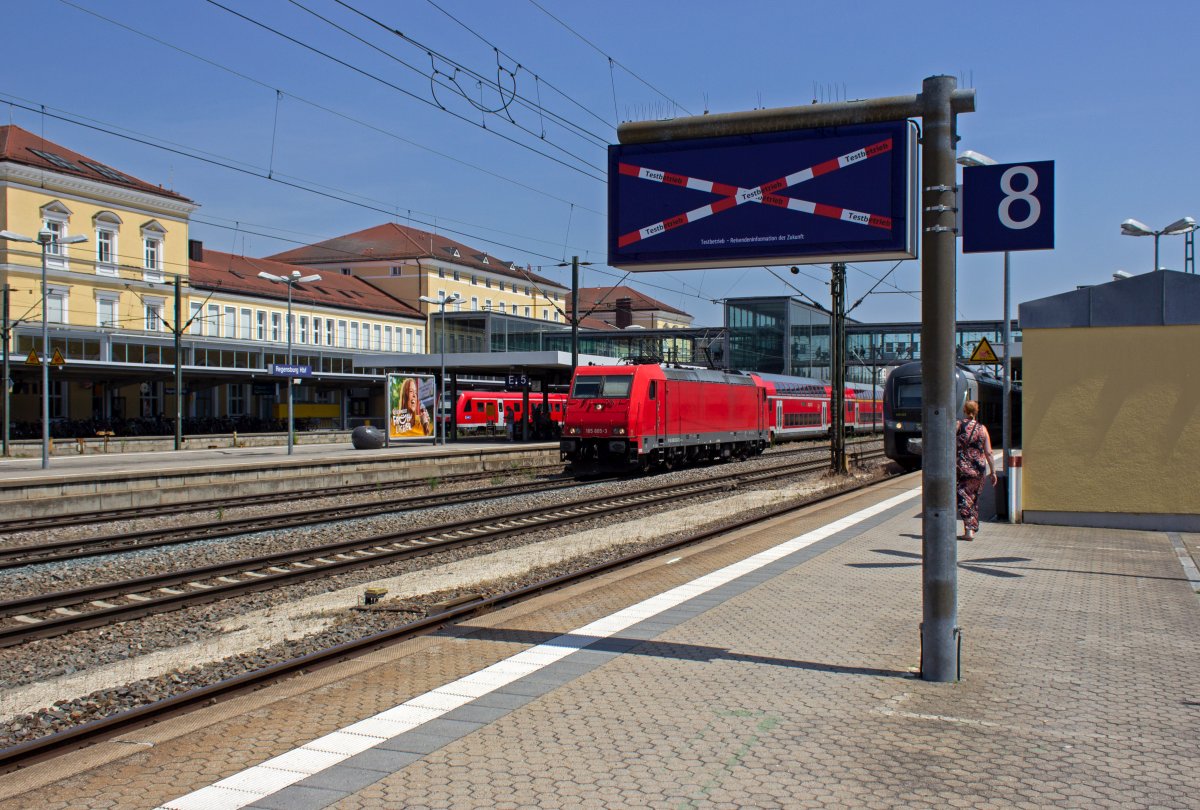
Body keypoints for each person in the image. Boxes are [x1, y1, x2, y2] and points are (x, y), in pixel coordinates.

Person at [956, 399, 997, 540]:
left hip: (963, 469)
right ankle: (972, 528)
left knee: (963, 497)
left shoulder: (959, 425)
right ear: (977, 411)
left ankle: (969, 531)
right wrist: (993, 472)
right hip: (979, 470)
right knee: (973, 499)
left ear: (964, 411)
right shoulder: (982, 428)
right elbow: (989, 452)